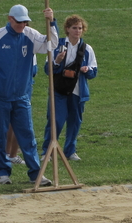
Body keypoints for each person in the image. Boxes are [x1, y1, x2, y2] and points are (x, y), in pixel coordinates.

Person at [0, 4, 57, 186]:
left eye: (25, 22)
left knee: (27, 135)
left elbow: (51, 44)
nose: (22, 25)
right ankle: (3, 172)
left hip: (22, 96)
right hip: (0, 95)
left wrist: (52, 22)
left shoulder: (30, 34)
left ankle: (35, 173)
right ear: (10, 19)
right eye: (19, 22)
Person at [41, 15, 98, 162]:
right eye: (74, 28)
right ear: (67, 29)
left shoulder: (87, 48)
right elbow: (48, 70)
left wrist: (87, 70)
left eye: (80, 28)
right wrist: (58, 61)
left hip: (78, 91)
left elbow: (94, 72)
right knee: (56, 121)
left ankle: (70, 151)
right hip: (59, 90)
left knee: (74, 122)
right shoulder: (57, 45)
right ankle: (47, 151)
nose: (77, 31)